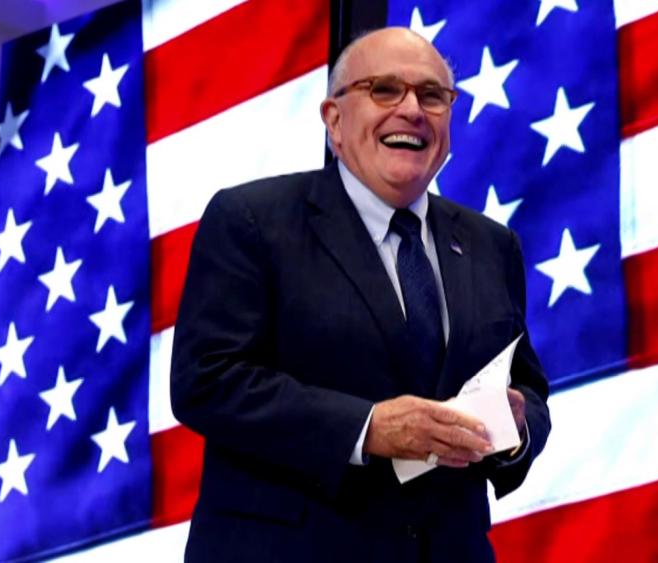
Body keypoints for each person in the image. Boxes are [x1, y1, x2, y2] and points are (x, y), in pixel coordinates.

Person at [170, 27, 551, 563]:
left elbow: (529, 388)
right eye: (384, 90)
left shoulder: (492, 244)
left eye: (432, 95)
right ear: (334, 120)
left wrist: (517, 427)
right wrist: (368, 429)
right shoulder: (252, 220)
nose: (412, 110)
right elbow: (207, 380)